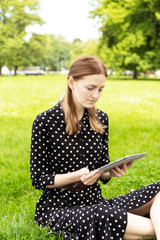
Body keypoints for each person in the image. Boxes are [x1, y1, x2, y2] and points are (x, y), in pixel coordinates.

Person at [30, 56, 160, 240]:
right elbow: (39, 179)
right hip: (59, 209)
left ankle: (135, 229)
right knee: (102, 214)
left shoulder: (101, 119)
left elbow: (102, 168)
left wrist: (110, 172)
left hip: (96, 202)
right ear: (71, 82)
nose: (96, 95)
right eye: (90, 88)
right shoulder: (45, 121)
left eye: (100, 89)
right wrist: (78, 176)